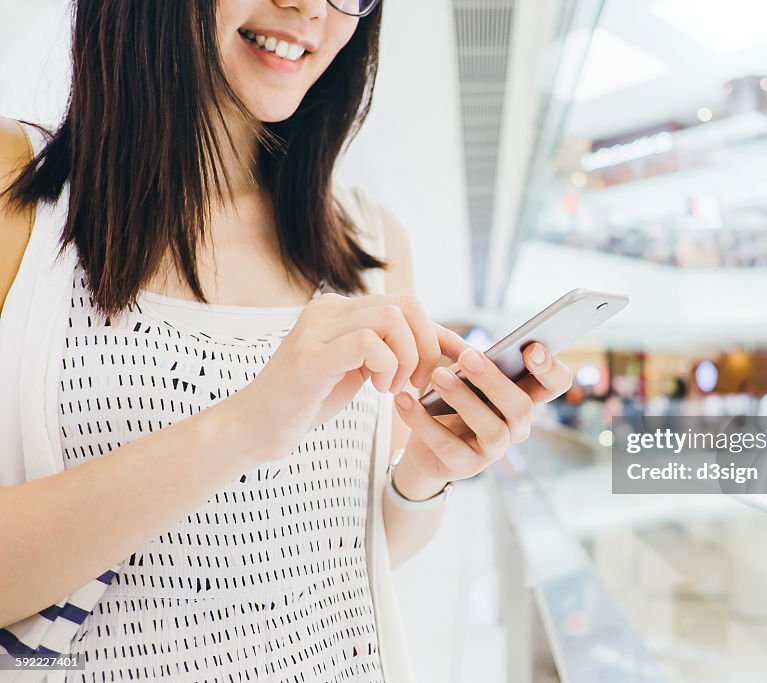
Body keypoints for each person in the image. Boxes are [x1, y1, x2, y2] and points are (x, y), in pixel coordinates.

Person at [0, 1, 574, 679]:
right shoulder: (20, 187)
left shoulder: (370, 242)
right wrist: (246, 425)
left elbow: (351, 558)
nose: (308, 7)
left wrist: (425, 472)